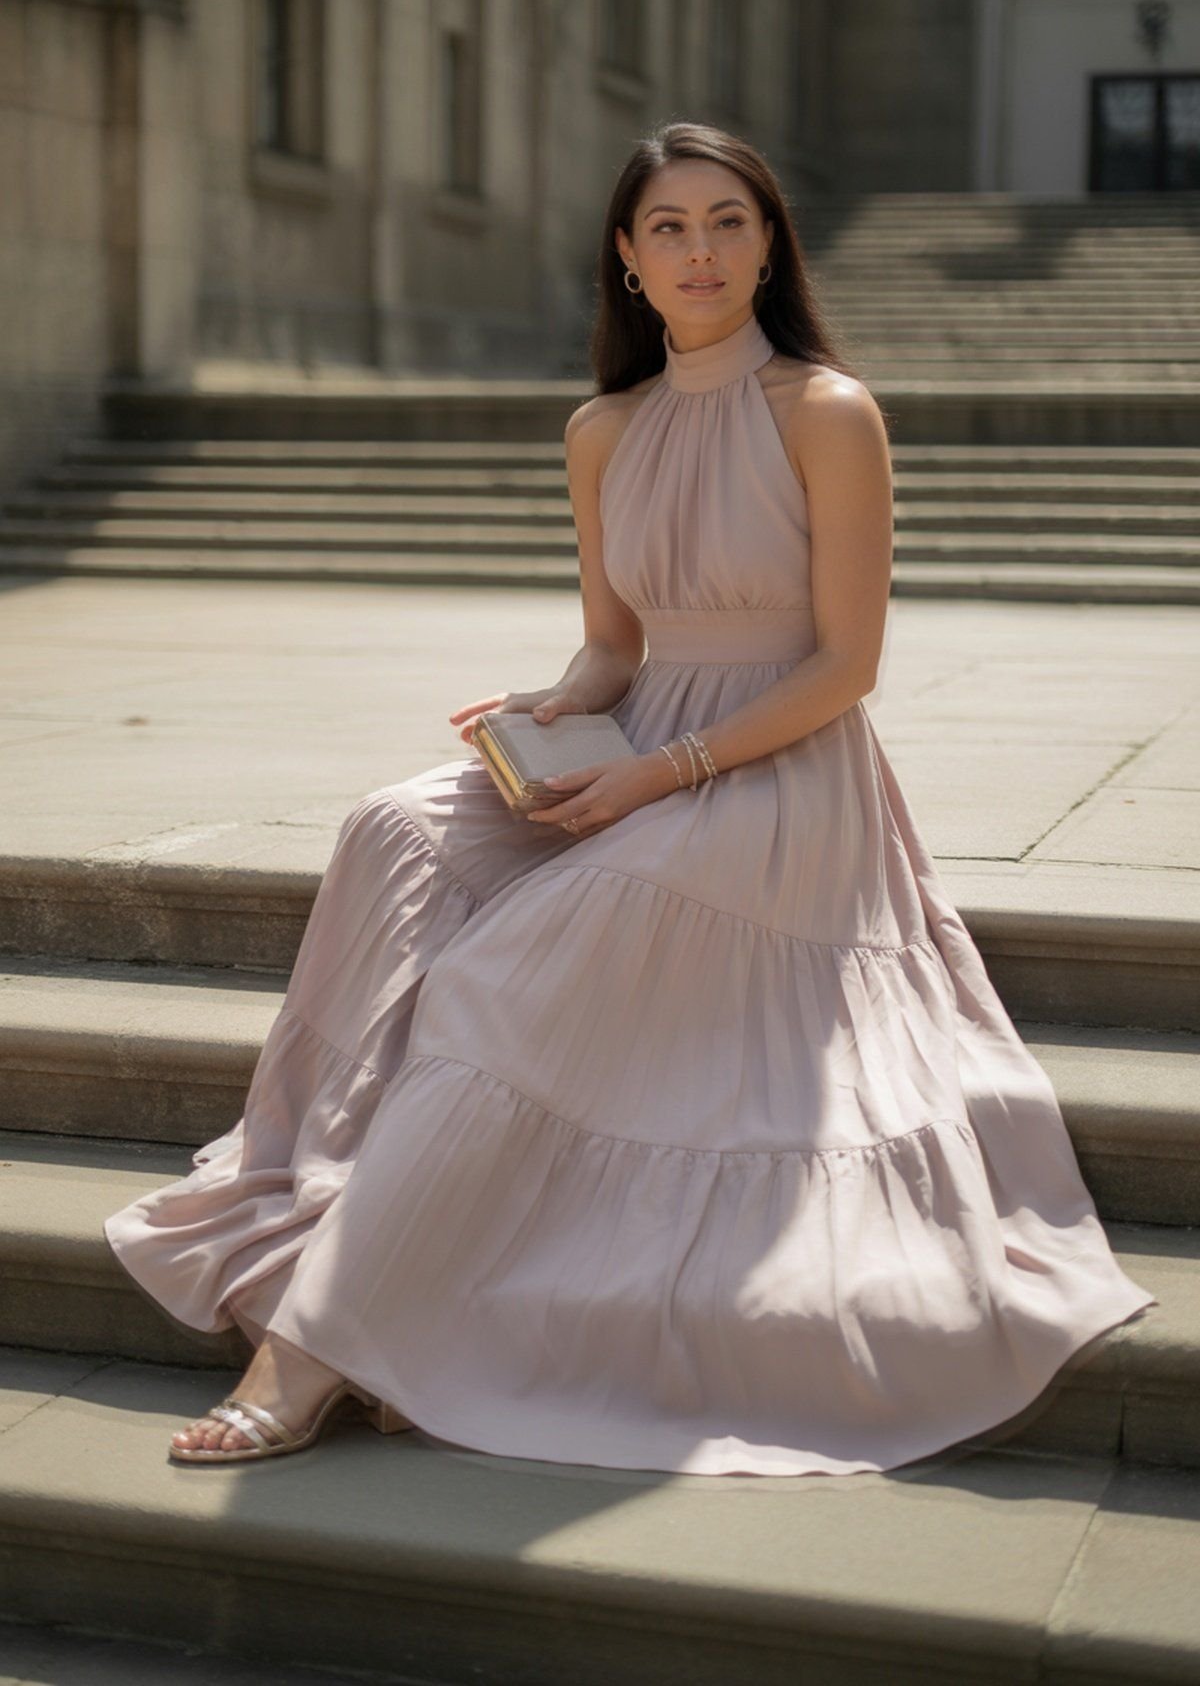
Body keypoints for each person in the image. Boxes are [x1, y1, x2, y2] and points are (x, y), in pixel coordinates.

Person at [105, 122, 1157, 1474]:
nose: (699, 251)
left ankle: (307, 1353)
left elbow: (846, 666)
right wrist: (548, 715)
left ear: (769, 246)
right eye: (669, 227)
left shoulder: (827, 410)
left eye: (728, 222)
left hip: (784, 776)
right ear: (626, 256)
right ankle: (355, 1202)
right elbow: (615, 644)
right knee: (394, 828)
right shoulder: (602, 429)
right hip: (642, 735)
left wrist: (658, 776)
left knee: (517, 961)